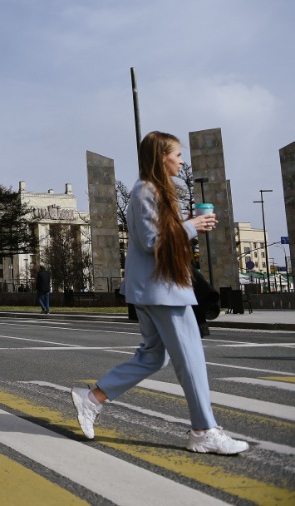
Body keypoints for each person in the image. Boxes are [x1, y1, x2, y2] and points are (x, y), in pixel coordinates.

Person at [70, 131, 248, 455]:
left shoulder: (152, 191)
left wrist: (188, 224)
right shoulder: (146, 190)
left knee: (153, 356)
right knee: (191, 360)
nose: (181, 160)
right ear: (161, 157)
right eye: (177, 154)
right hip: (162, 290)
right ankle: (204, 431)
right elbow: (152, 242)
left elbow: (161, 236)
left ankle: (93, 398)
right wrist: (192, 226)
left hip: (155, 288)